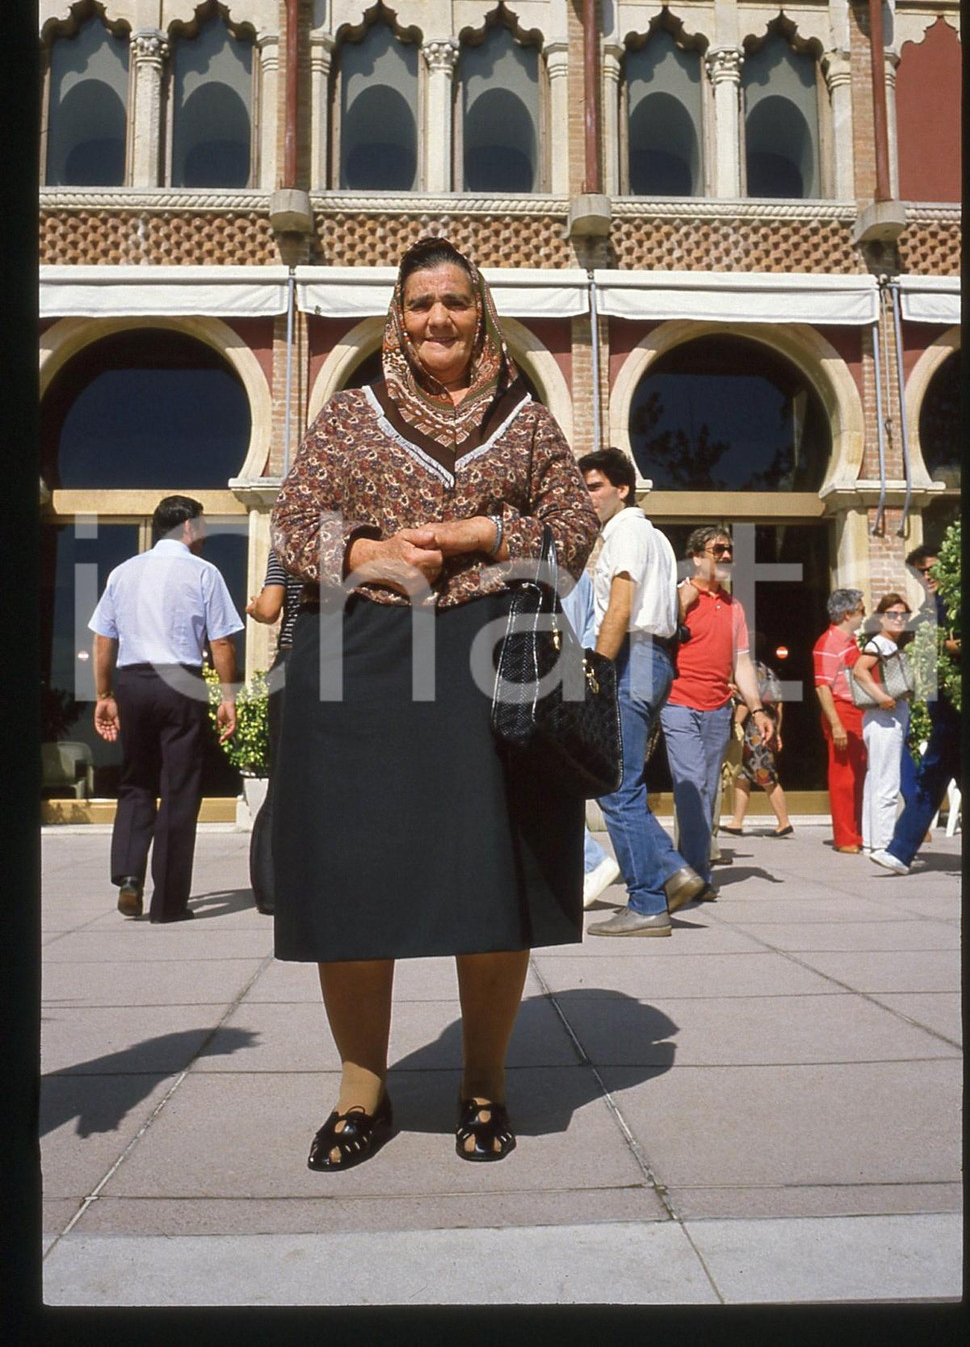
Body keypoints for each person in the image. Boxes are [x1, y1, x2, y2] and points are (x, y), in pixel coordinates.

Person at [269, 237, 599, 1170]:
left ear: (480, 309)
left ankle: (483, 1083)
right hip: (363, 662)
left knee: (488, 876)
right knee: (352, 878)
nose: (437, 319)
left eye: (454, 300)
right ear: (397, 315)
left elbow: (574, 530)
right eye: (419, 304)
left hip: (495, 670)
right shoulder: (347, 415)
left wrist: (485, 529)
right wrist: (363, 554)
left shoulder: (528, 421)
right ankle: (360, 1091)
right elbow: (293, 523)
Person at [89, 495, 243, 923]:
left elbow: (103, 640)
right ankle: (169, 903)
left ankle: (129, 879)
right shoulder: (204, 573)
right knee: (179, 789)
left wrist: (105, 695)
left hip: (134, 682)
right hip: (181, 683)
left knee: (136, 782)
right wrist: (227, 697)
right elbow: (223, 643)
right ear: (190, 528)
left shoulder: (124, 573)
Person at [575, 448, 702, 938]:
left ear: (622, 488)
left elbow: (621, 605)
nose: (588, 499)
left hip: (631, 658)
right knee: (624, 778)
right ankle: (669, 871)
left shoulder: (625, 531)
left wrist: (598, 669)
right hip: (655, 660)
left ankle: (647, 901)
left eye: (594, 487)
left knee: (616, 784)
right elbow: (669, 606)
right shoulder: (656, 537)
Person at [661, 527, 774, 892]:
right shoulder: (679, 596)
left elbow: (741, 662)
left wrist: (757, 709)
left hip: (717, 709)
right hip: (678, 703)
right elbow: (659, 633)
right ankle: (691, 874)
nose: (726, 556)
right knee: (691, 784)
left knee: (708, 791)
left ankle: (695, 874)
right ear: (696, 556)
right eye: (718, 549)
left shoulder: (734, 607)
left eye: (730, 551)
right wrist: (686, 597)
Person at [870, 550, 961, 875]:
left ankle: (899, 851)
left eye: (931, 568)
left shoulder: (960, 603)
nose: (927, 576)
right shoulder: (927, 609)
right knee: (935, 777)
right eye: (920, 572)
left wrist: (955, 646)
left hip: (957, 709)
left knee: (931, 776)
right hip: (944, 709)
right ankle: (899, 852)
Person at [244, 550, 304, 914]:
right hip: (343, 659)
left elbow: (268, 609)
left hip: (292, 660)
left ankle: (269, 894)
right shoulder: (365, 535)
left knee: (280, 781)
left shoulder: (289, 542)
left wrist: (254, 607)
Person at [560, 569, 622, 908]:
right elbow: (587, 630)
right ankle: (583, 863)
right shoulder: (582, 572)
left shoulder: (540, 561)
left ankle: (590, 860)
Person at [852, 593, 912, 856]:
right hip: (884, 719)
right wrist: (882, 697)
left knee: (875, 779)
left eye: (902, 615)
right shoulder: (879, 643)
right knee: (886, 781)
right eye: (892, 614)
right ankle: (885, 842)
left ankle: (873, 841)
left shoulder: (891, 643)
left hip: (883, 719)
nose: (898, 619)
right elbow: (859, 670)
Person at [812, 589, 867, 853]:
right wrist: (836, 724)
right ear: (847, 614)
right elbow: (823, 687)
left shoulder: (852, 641)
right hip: (842, 710)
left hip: (860, 711)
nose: (864, 614)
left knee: (860, 774)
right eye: (861, 609)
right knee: (843, 776)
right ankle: (846, 836)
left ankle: (859, 831)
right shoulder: (828, 642)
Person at [721, 636, 792, 838]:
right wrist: (777, 730)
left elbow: (744, 703)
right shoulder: (766, 670)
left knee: (765, 775)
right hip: (766, 728)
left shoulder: (747, 671)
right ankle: (737, 821)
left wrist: (732, 726)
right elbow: (779, 703)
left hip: (753, 732)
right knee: (742, 776)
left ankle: (784, 821)